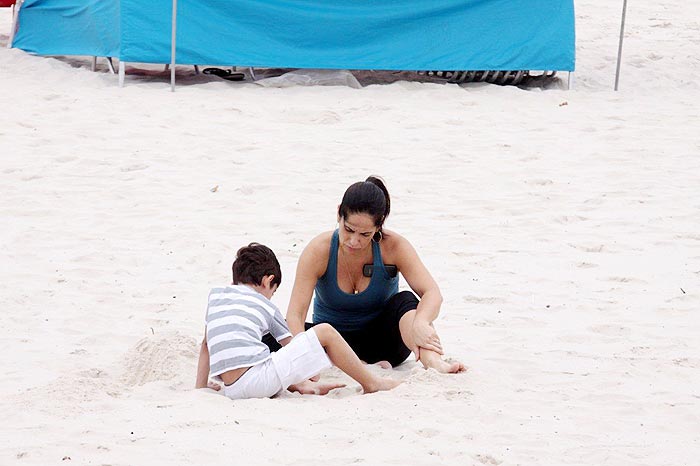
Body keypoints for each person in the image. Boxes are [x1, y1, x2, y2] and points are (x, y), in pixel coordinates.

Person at [280, 176, 465, 373]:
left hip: (385, 345)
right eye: (348, 229)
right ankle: (354, 365)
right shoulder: (319, 250)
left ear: (378, 227)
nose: (353, 241)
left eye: (365, 235)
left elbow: (432, 292)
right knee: (275, 329)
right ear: (338, 214)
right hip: (332, 347)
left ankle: (434, 362)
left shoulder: (394, 246)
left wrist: (421, 322)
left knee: (406, 300)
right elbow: (296, 314)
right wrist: (304, 360)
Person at [195, 242, 401, 399]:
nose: (270, 297)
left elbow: (206, 345)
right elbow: (292, 346)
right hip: (256, 381)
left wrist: (201, 387)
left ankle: (302, 387)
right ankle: (372, 383)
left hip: (231, 389)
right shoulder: (265, 305)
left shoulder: (217, 297)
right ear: (268, 281)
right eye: (273, 292)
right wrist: (313, 374)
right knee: (325, 332)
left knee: (270, 361)